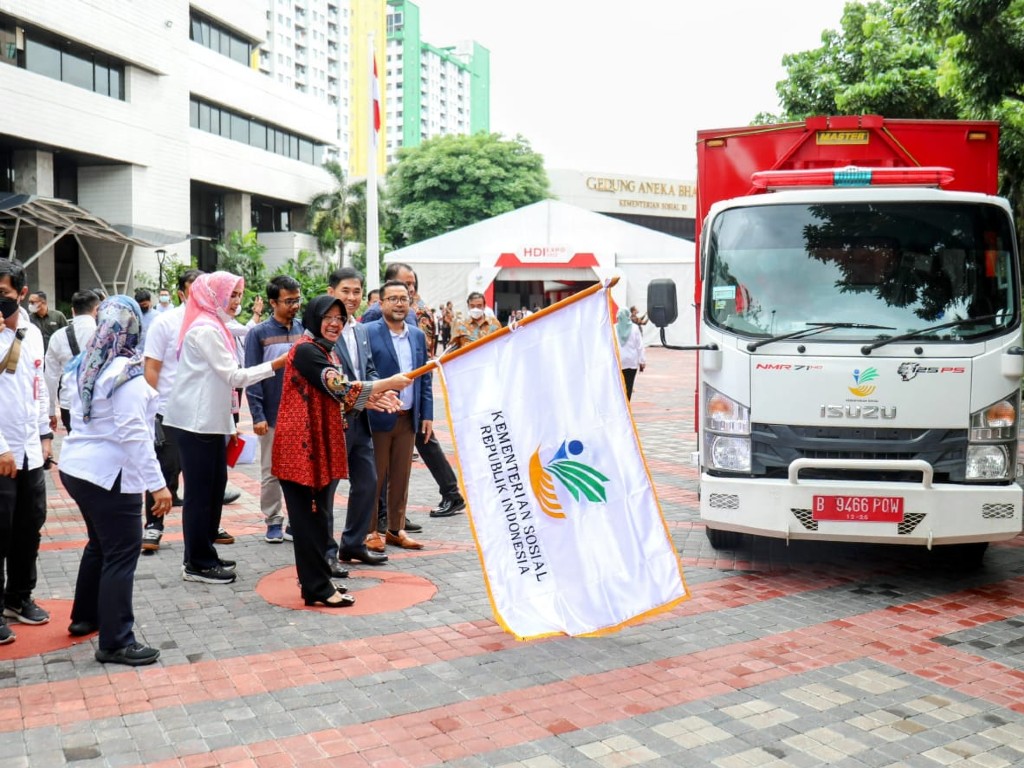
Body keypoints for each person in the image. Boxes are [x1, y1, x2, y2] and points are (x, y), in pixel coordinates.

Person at [272, 294, 408, 605]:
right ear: (314, 319)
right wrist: (387, 383)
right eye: (328, 318)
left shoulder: (325, 352)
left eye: (339, 318)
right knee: (308, 522)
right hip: (299, 450)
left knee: (318, 519)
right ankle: (317, 587)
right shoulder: (307, 351)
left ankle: (318, 583)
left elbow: (341, 396)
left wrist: (372, 397)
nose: (335, 324)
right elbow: (340, 388)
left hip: (317, 446)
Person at [58, 296, 172, 666]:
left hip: (78, 468)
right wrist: (158, 485)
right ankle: (116, 640)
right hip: (109, 476)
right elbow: (134, 434)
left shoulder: (86, 364)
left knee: (100, 545)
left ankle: (85, 617)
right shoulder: (124, 373)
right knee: (122, 554)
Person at [162, 272, 287, 584]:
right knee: (200, 494)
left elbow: (247, 333)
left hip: (210, 422)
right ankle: (196, 562)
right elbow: (234, 376)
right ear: (212, 295)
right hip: (196, 423)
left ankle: (204, 553)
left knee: (213, 490)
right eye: (231, 295)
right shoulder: (205, 330)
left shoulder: (216, 325)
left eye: (239, 294)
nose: (237, 301)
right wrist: (277, 363)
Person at [0, 258, 53, 645]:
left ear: (22, 294)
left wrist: (45, 434)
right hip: (1, 453)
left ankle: (18, 598)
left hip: (31, 451)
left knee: (28, 528)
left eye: (3, 293)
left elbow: (39, 386)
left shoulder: (33, 333)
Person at [326, 267, 387, 570]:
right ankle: (326, 552)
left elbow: (369, 370)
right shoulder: (320, 330)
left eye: (357, 292)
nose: (351, 297)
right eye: (345, 291)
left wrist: (378, 392)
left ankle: (353, 543)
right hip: (333, 422)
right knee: (327, 488)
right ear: (331, 292)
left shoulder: (360, 329)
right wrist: (369, 394)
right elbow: (331, 380)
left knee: (368, 482)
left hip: (360, 420)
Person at [364, 280, 432, 551]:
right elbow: (364, 371)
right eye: (392, 298)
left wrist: (426, 414)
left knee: (401, 477)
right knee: (374, 477)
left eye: (403, 298)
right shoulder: (367, 332)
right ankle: (369, 531)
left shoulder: (416, 335)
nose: (399, 303)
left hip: (407, 418)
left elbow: (424, 378)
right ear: (381, 304)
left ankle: (395, 528)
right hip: (379, 416)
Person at [141, 269, 201, 553]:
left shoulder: (216, 323)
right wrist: (152, 409)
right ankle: (154, 525)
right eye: (194, 290)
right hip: (168, 411)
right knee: (165, 471)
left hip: (203, 412)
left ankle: (207, 526)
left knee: (203, 475)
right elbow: (151, 367)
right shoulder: (165, 323)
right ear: (181, 294)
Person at [244, 276, 303, 544]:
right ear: (272, 302)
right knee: (271, 471)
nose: (294, 306)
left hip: (301, 415)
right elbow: (252, 375)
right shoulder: (259, 334)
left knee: (300, 470)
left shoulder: (305, 331)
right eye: (288, 301)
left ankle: (296, 520)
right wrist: (258, 415)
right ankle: (273, 519)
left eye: (297, 300)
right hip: (272, 413)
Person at [44, 290, 100, 434]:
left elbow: (50, 377)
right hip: (99, 403)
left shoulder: (58, 337)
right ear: (97, 309)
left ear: (73, 311)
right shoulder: (104, 334)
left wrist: (50, 410)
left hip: (69, 404)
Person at [616, 308, 646, 401]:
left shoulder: (613, 327)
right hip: (631, 361)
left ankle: (620, 405)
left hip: (618, 361)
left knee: (619, 385)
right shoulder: (635, 328)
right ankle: (627, 404)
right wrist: (642, 361)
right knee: (629, 385)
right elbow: (639, 346)